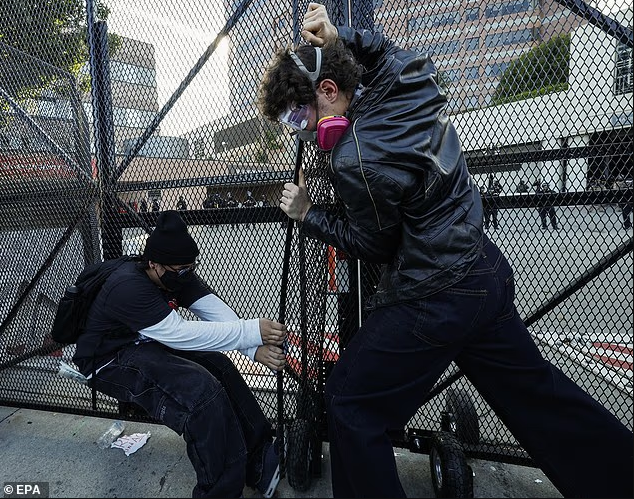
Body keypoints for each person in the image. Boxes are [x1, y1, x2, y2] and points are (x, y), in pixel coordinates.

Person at [257, 4, 633, 498]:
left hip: (434, 295)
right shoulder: (405, 84)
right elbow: (384, 51)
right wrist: (337, 36)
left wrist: (309, 213)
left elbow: (373, 245)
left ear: (328, 90)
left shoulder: (355, 156)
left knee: (349, 399)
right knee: (539, 398)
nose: (302, 130)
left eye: (299, 116)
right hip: (482, 269)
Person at [72, 210, 286, 498]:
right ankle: (218, 492)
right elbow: (179, 333)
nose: (188, 274)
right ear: (154, 264)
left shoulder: (175, 274)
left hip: (143, 343)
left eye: (191, 267)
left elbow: (214, 310)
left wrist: (252, 347)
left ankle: (258, 461)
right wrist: (251, 332)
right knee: (200, 393)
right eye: (182, 269)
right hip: (107, 360)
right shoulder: (128, 286)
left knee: (218, 365)